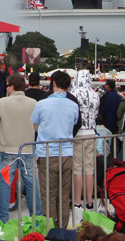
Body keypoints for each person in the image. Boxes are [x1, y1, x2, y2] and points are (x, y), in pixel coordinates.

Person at [0, 73, 41, 222]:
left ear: (12, 87)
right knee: (31, 184)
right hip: (28, 149)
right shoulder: (33, 103)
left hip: (8, 149)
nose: (6, 88)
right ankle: (36, 217)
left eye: (7, 86)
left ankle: (2, 217)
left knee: (5, 185)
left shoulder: (3, 102)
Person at [30, 71, 79, 228]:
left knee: (48, 195)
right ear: (68, 86)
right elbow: (75, 124)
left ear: (53, 84)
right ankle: (63, 229)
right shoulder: (73, 105)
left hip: (47, 154)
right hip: (67, 154)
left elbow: (35, 126)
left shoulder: (42, 104)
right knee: (64, 196)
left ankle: (51, 230)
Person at [69, 70, 100, 223]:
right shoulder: (95, 94)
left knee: (77, 168)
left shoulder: (73, 93)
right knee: (89, 168)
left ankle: (77, 201)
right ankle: (89, 200)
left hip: (78, 134)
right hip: (91, 133)